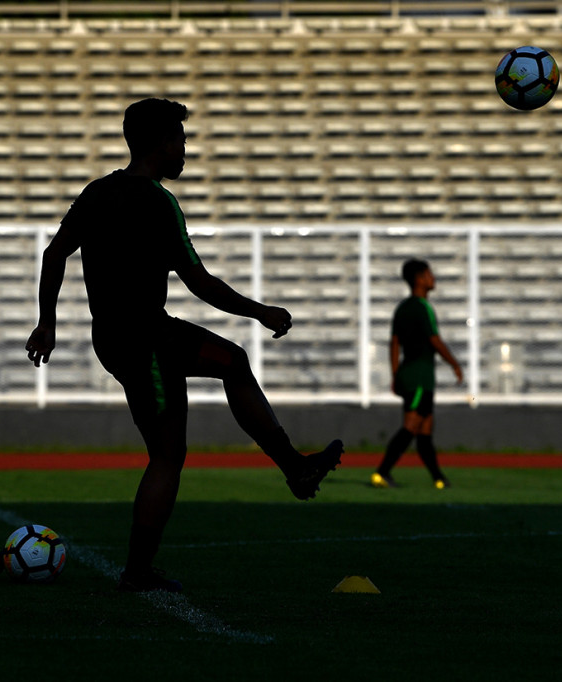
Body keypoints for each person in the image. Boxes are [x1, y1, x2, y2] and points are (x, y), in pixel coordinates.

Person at [26, 98, 343, 593]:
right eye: (181, 141)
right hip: (144, 336)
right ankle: (292, 471)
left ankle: (293, 469)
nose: (184, 152)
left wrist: (47, 322)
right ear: (161, 143)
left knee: (198, 412)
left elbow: (54, 253)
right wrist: (260, 311)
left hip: (120, 335)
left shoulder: (97, 192)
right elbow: (199, 281)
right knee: (173, 447)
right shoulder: (158, 201)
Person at [371, 259, 463, 490]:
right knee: (412, 426)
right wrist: (454, 363)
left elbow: (394, 343)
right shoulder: (423, 308)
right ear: (419, 279)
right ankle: (381, 473)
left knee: (424, 430)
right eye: (429, 274)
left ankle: (439, 479)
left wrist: (395, 373)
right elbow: (435, 340)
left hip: (410, 374)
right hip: (420, 377)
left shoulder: (402, 308)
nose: (433, 278)